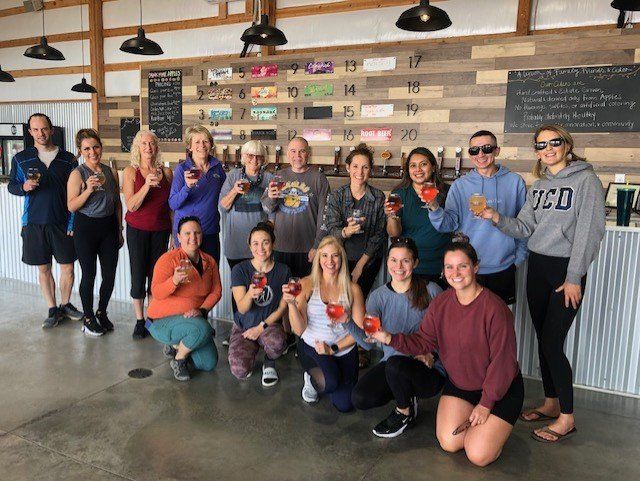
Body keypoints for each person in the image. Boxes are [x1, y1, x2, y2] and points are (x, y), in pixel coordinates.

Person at [480, 124, 605, 443]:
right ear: (536, 151)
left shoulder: (586, 180)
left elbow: (589, 232)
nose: (548, 148)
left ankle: (567, 418)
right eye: (541, 145)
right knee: (542, 338)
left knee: (552, 342)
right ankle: (551, 402)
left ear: (567, 144)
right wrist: (495, 217)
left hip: (565, 272)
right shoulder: (538, 187)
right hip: (537, 268)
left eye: (554, 142)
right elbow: (524, 227)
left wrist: (574, 276)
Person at [371, 234, 523, 467]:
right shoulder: (441, 303)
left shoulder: (495, 308)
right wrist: (389, 337)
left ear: (475, 267)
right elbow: (423, 341)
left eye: (462, 266)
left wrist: (486, 404)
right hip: (462, 385)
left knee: (477, 454)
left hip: (499, 389)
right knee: (449, 443)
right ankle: (481, 426)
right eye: (449, 267)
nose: (456, 273)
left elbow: (503, 362)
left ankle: (491, 434)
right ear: (443, 271)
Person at [346, 237, 445, 438]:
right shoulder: (378, 296)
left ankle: (404, 412)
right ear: (387, 262)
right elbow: (368, 342)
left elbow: (448, 334)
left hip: (427, 368)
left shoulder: (432, 290)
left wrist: (432, 355)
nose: (398, 266)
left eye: (405, 261)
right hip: (393, 365)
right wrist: (346, 321)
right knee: (359, 397)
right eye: (393, 260)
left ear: (415, 263)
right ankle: (407, 397)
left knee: (395, 365)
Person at [426, 131, 527, 304]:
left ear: (497, 150)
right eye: (474, 150)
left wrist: (518, 259)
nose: (480, 154)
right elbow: (448, 224)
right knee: (466, 325)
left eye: (486, 148)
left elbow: (524, 225)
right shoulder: (460, 185)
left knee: (498, 325)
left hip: (503, 268)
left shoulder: (515, 182)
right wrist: (434, 206)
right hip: (467, 269)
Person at [7, 113, 83, 328]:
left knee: (67, 267)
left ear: (51, 130)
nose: (40, 133)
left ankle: (66, 305)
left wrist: (72, 223)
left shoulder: (69, 159)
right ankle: (52, 308)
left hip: (62, 222)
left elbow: (76, 193)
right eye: (36, 130)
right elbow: (13, 185)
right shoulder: (20, 159)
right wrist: (23, 187)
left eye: (44, 129)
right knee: (43, 268)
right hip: (34, 223)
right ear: (30, 132)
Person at [282, 236, 365, 412]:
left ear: (342, 258)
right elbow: (299, 329)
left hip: (343, 349)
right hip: (314, 347)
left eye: (335, 256)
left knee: (346, 405)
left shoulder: (353, 289)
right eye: (325, 255)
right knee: (330, 383)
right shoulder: (306, 284)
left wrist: (334, 348)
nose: (330, 261)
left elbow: (360, 333)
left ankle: (329, 374)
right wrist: (290, 304)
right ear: (318, 258)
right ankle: (311, 378)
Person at [146, 216, 221, 381]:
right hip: (161, 321)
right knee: (204, 329)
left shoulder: (210, 262)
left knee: (209, 363)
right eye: (187, 233)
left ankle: (178, 345)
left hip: (192, 320)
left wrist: (202, 310)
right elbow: (156, 293)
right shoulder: (168, 260)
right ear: (178, 237)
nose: (192, 237)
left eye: (197, 233)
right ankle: (179, 360)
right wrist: (173, 281)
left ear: (202, 235)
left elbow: (216, 291)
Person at [67, 129, 123, 336]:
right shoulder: (77, 174)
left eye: (95, 146)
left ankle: (102, 312)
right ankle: (88, 317)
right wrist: (88, 190)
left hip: (108, 227)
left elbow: (117, 203)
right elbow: (71, 206)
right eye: (87, 148)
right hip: (86, 228)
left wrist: (119, 229)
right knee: (89, 274)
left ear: (101, 147)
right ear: (81, 151)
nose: (92, 152)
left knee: (109, 274)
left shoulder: (110, 172)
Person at [122, 130, 173, 340]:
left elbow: (171, 208)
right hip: (137, 230)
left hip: (161, 231)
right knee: (138, 274)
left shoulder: (167, 173)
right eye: (144, 144)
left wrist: (173, 235)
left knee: (156, 277)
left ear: (157, 147)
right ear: (137, 147)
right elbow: (131, 206)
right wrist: (146, 185)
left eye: (151, 143)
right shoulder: (130, 172)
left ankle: (152, 316)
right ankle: (139, 320)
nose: (148, 147)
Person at [322, 143, 386, 298]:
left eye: (365, 167)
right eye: (355, 166)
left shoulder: (378, 197)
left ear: (370, 169)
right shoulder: (337, 195)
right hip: (338, 261)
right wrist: (345, 231)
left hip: (368, 262)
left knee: (359, 301)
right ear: (348, 168)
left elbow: (378, 236)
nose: (360, 172)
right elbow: (331, 229)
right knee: (338, 301)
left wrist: (360, 266)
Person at [229, 222, 289, 386]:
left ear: (273, 244)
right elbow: (242, 308)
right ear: (249, 246)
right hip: (243, 326)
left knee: (277, 343)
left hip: (268, 325)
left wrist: (260, 327)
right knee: (239, 370)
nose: (260, 248)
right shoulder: (240, 270)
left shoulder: (283, 270)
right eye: (255, 243)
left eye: (265, 242)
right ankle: (250, 351)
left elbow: (282, 308)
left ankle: (269, 361)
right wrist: (249, 294)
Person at [261, 136, 330, 278]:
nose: (297, 156)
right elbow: (267, 208)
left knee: (305, 293)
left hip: (308, 248)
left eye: (302, 151)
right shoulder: (278, 176)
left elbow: (325, 215)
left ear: (308, 154)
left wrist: (317, 246)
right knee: (283, 293)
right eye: (293, 151)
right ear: (288, 154)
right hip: (280, 246)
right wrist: (272, 198)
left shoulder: (319, 178)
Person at [385, 147, 450, 288]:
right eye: (413, 165)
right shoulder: (399, 193)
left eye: (423, 164)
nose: (418, 169)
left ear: (433, 167)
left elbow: (454, 225)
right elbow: (393, 233)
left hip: (441, 265)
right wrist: (391, 216)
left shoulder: (447, 192)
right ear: (408, 170)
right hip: (409, 266)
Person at [169, 124, 226, 263]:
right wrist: (187, 187)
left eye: (205, 141)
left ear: (210, 144)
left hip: (210, 230)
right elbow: (173, 203)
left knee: (211, 275)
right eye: (197, 142)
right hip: (187, 234)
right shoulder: (182, 169)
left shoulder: (217, 168)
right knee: (188, 278)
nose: (202, 145)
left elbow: (226, 194)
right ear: (190, 146)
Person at [219, 140, 273, 270]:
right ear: (243, 157)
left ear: (263, 159)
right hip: (236, 244)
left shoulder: (269, 178)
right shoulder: (233, 175)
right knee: (238, 287)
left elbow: (273, 212)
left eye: (258, 156)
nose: (254, 159)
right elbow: (222, 207)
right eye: (250, 155)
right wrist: (234, 191)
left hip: (260, 247)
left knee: (260, 286)